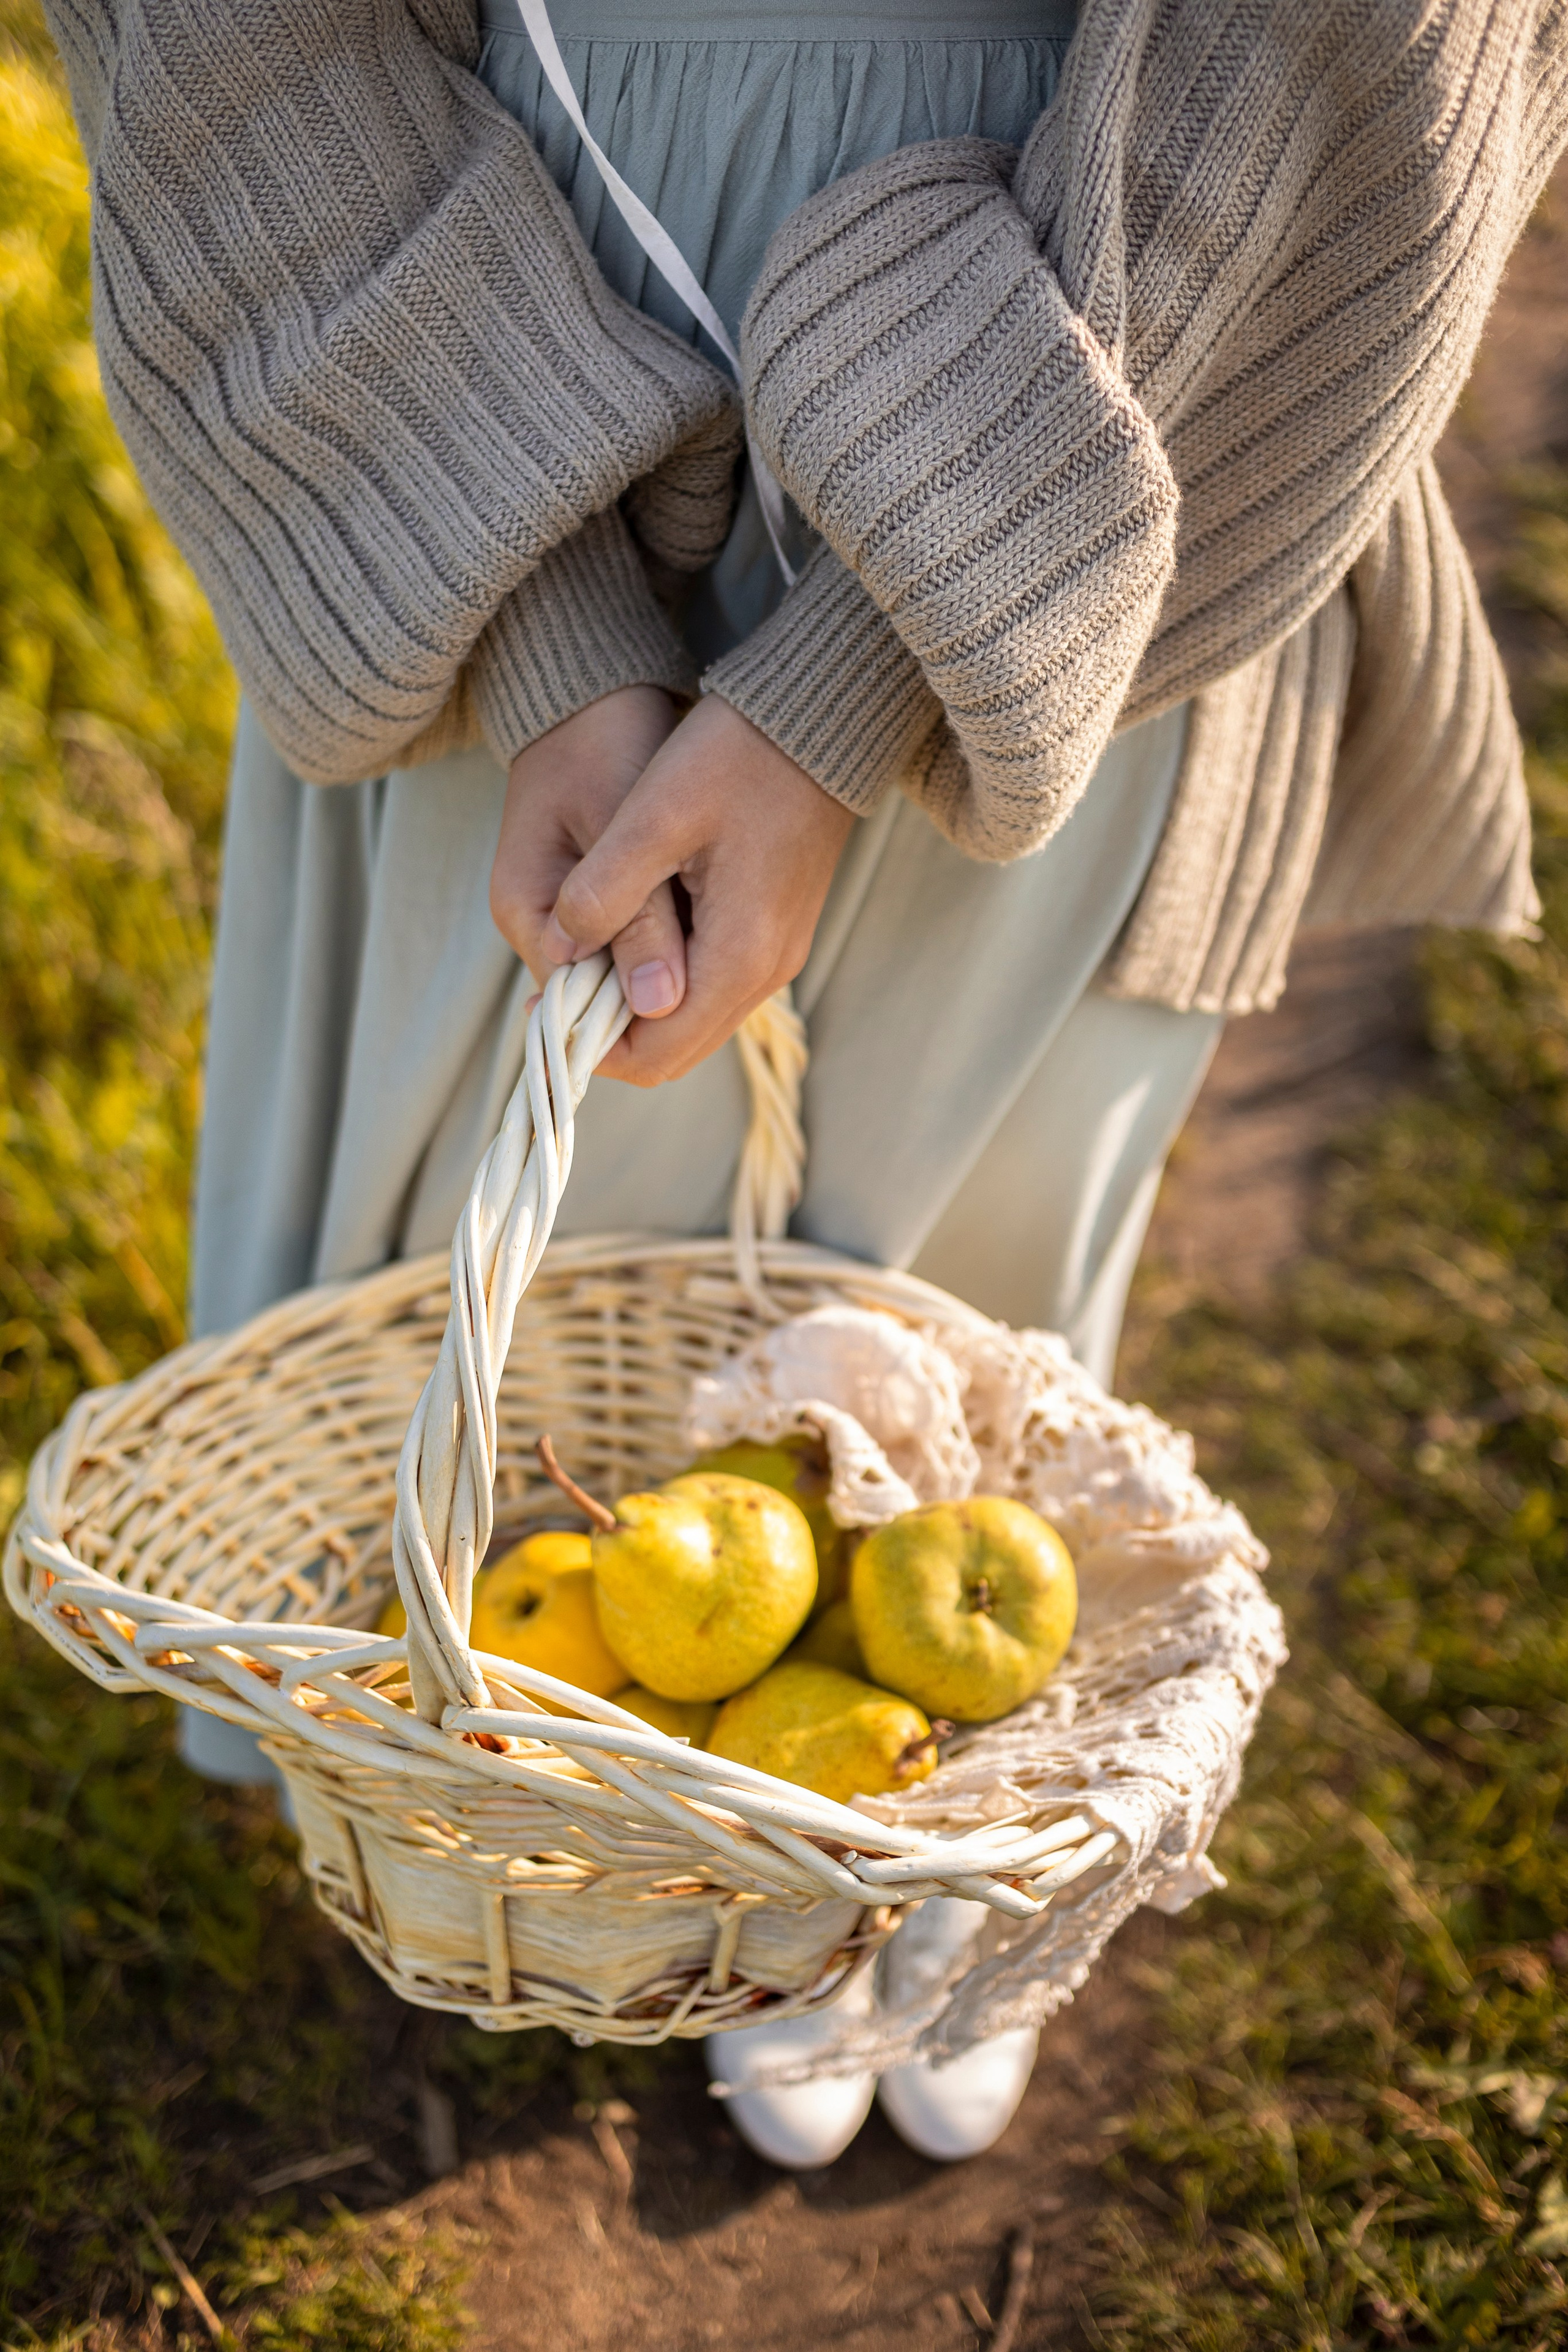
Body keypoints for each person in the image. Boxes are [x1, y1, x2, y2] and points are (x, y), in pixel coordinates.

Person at [41, 0, 1563, 2165]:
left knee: (952, 1275)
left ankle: (892, 1845)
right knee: (526, 1273)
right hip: (506, 308)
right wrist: (547, 621)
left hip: (1122, 326)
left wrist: (872, 670)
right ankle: (538, 1814)